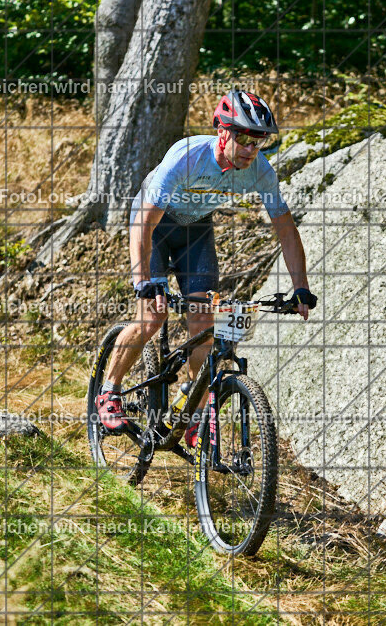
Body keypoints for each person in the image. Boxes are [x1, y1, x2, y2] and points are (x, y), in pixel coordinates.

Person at [94, 89, 317, 447]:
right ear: (223, 132)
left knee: (204, 323)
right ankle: (109, 391)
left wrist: (301, 288)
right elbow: (144, 224)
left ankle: (195, 415)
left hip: (194, 232)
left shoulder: (259, 170)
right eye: (243, 139)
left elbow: (286, 231)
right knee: (151, 317)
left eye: (257, 142)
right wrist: (143, 281)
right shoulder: (187, 157)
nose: (250, 149)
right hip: (155, 225)